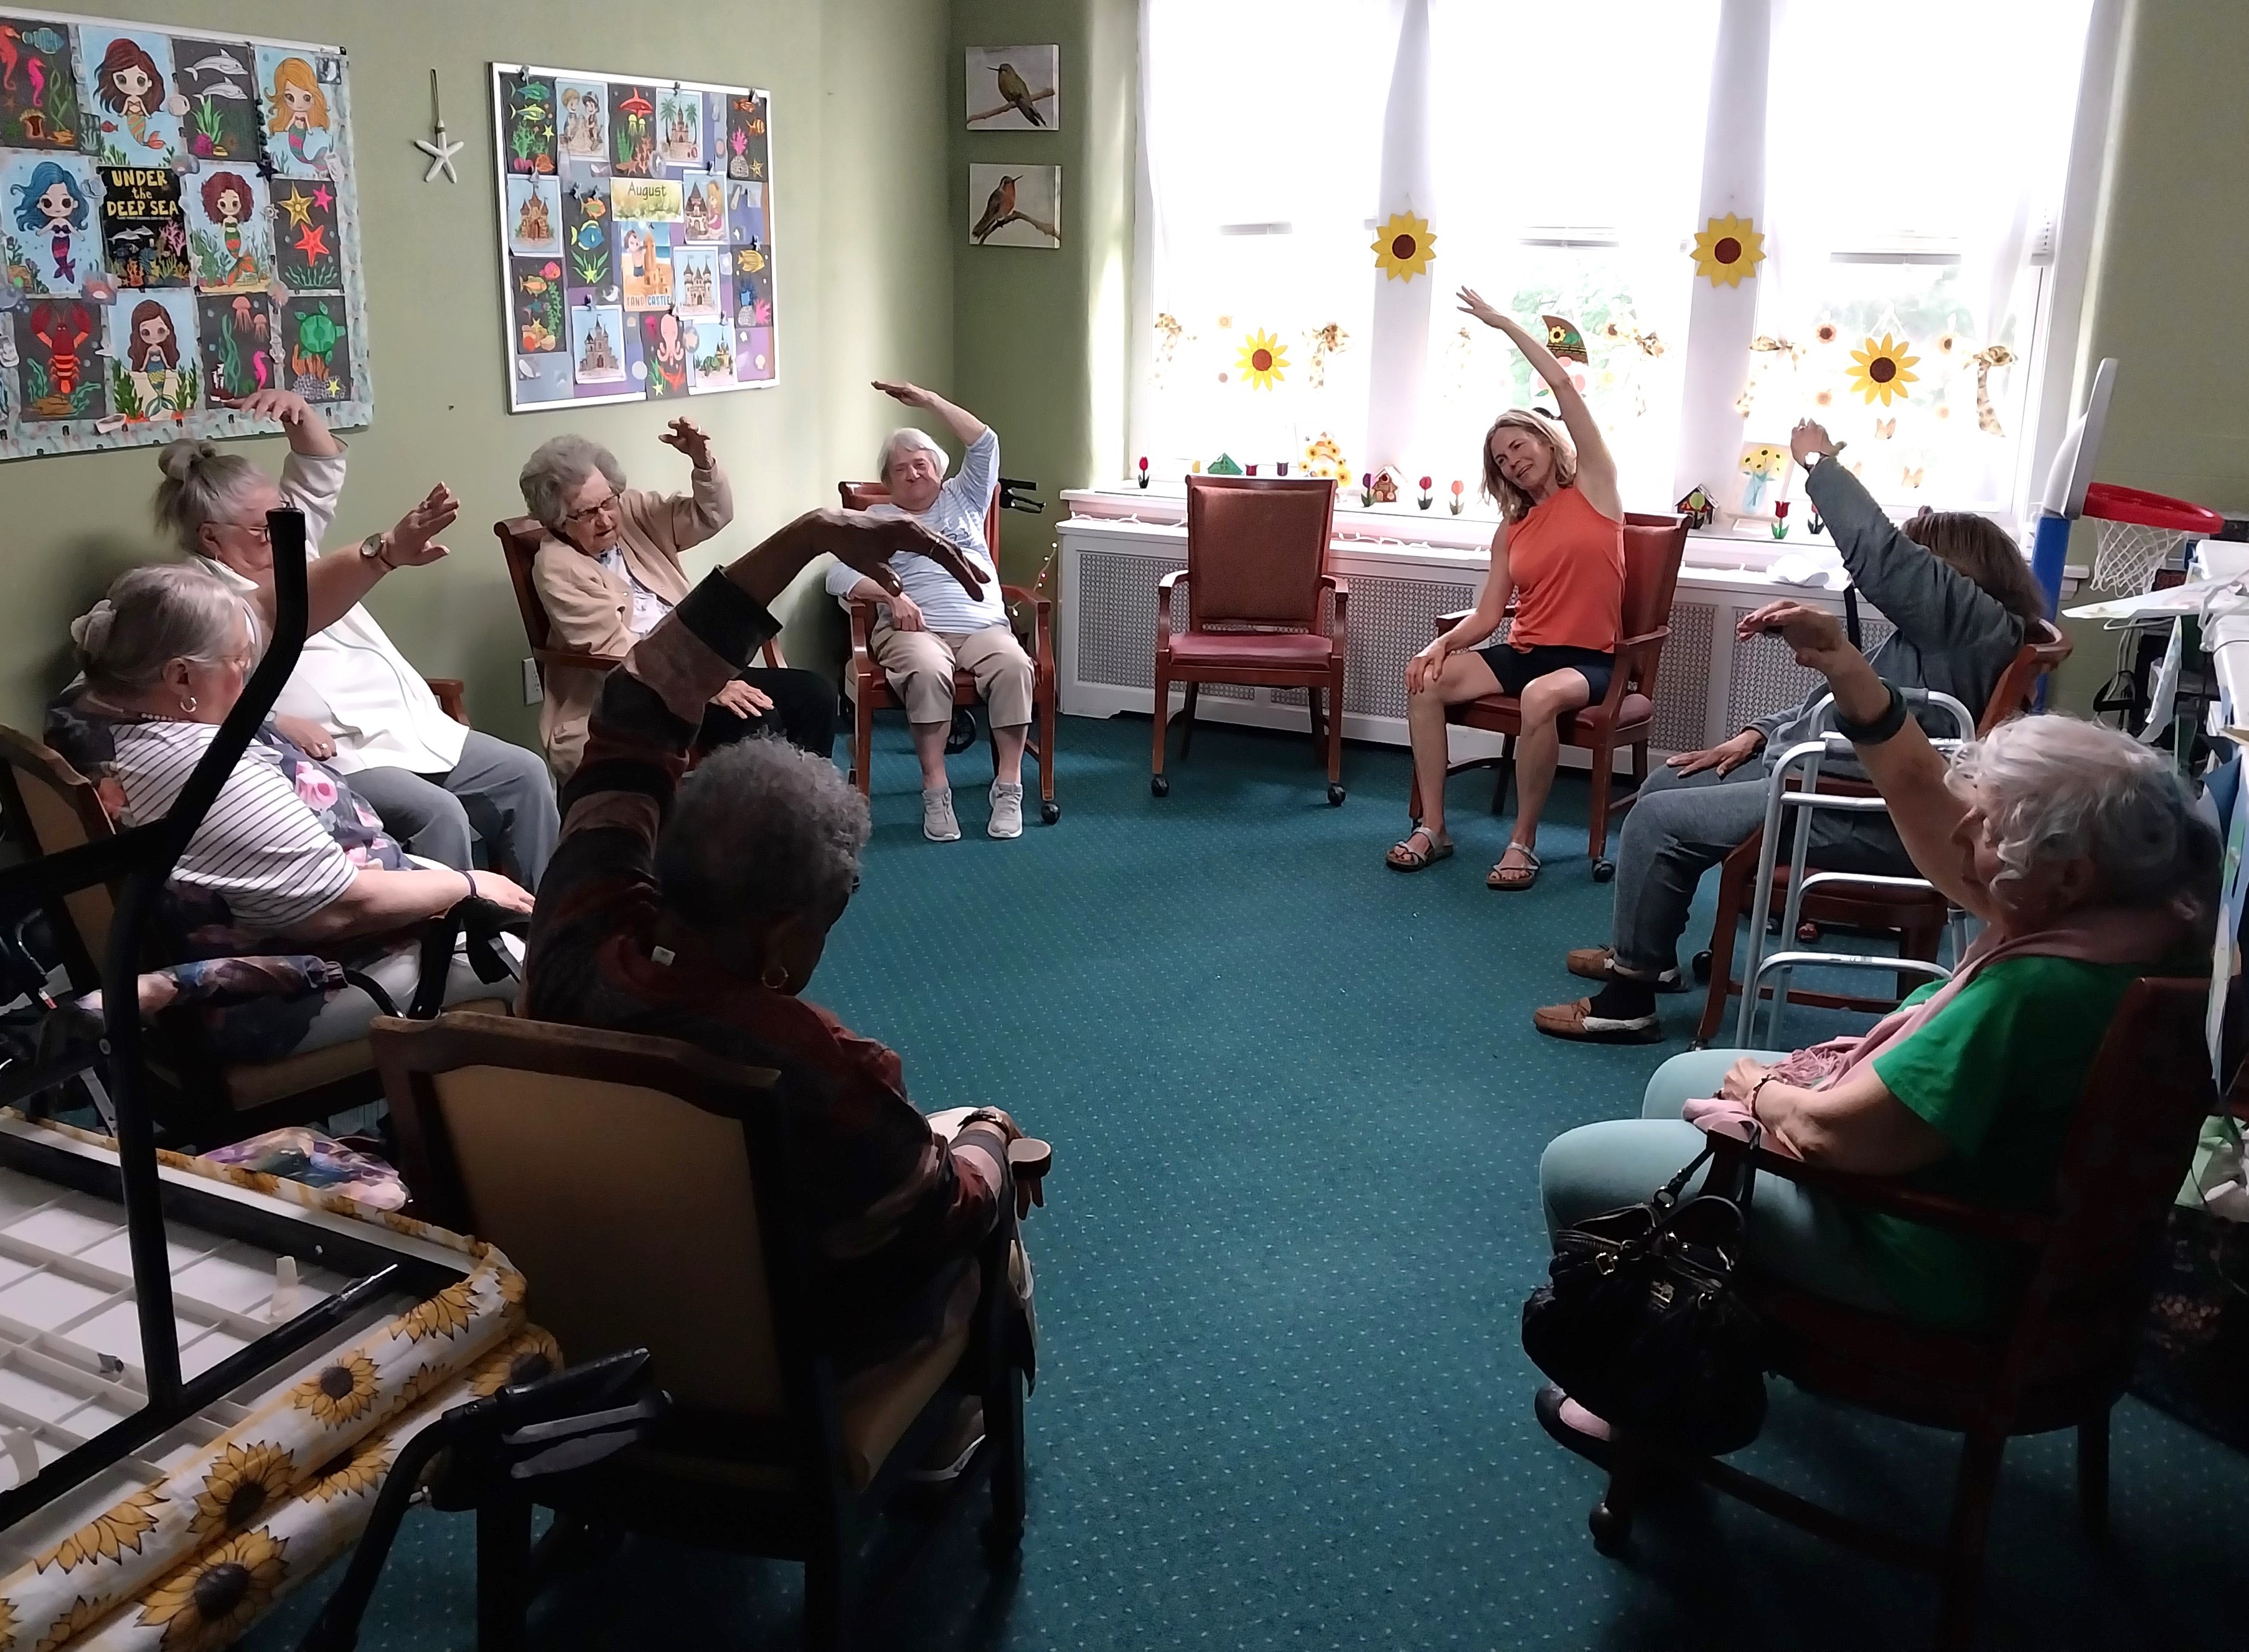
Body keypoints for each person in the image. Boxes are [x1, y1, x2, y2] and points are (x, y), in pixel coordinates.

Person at [1533, 601, 2214, 1457]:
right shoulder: (2132, 924)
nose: (1967, 836)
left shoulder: (2039, 985)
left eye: (1993, 826)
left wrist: (1770, 1094)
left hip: (1937, 1254)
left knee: (1578, 1165)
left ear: (2070, 872)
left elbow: (1829, 1140)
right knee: (1679, 1080)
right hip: (2005, 1213)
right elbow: (1934, 814)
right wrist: (1850, 675)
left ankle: (1658, 1389)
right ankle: (1690, 1319)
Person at [524, 500, 1043, 1456]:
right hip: (766, 1368)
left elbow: (643, 701)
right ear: (789, 944)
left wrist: (806, 538)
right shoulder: (813, 1068)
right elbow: (945, 1212)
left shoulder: (572, 931)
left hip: (587, 1324)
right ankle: (938, 1428)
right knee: (988, 1231)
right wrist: (981, 1135)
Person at [1535, 416, 2049, 1041]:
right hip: (1827, 774)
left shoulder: (1973, 625)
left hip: (1858, 806)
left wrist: (1818, 463)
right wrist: (1754, 733)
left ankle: (1627, 1001)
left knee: (1656, 821)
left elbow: (1882, 557)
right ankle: (1651, 958)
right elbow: (1849, 698)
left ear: (1950, 573)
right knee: (1665, 784)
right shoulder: (1943, 636)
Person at [63, 565, 536, 1061]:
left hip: (306, 922)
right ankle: (450, 1123)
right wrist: (469, 884)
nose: (249, 676)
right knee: (529, 970)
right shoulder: (205, 772)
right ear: (180, 674)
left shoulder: (91, 708)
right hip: (295, 985)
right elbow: (338, 911)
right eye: (239, 662)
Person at [155, 388, 560, 886]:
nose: (282, 531)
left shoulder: (286, 540)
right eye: (262, 529)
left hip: (408, 726)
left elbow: (318, 466)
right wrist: (278, 721)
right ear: (210, 536)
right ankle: (448, 949)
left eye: (283, 515)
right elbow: (191, 698)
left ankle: (542, 929)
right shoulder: (198, 599)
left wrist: (299, 410)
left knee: (526, 774)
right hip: (339, 753)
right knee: (437, 812)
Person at [1387, 289, 1626, 891]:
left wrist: (1504, 326)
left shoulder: (1596, 490)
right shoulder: (1511, 530)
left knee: (1541, 697)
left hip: (1588, 662)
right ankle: (1434, 828)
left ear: (1546, 442)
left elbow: (1566, 391)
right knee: (1425, 684)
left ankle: (1522, 842)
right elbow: (1489, 615)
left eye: (1519, 445)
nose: (1512, 460)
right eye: (1501, 458)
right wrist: (1436, 649)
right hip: (1524, 652)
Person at [517, 416, 835, 778]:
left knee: (816, 694)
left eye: (608, 502)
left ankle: (809, 813)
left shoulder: (632, 511)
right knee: (755, 719)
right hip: (630, 692)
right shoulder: (556, 566)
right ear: (557, 521)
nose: (605, 519)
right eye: (587, 513)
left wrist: (703, 465)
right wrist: (701, 684)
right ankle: (755, 827)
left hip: (696, 666)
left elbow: (709, 515)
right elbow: (617, 650)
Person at [825, 380, 1035, 842]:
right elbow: (835, 577)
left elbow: (985, 442)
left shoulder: (965, 498)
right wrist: (891, 597)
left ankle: (1009, 786)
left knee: (1015, 666)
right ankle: (935, 791)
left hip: (982, 625)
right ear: (887, 482)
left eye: (921, 464)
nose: (914, 474)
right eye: (901, 469)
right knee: (925, 672)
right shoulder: (875, 522)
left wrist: (930, 402)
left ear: (938, 469)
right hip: (913, 630)